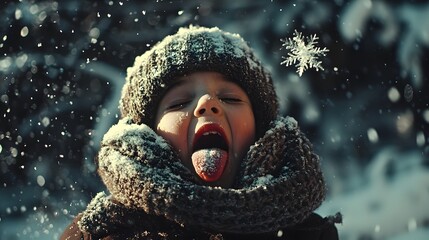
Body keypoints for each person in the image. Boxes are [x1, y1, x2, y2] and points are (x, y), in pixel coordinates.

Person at [61, 25, 340, 240]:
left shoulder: (310, 233)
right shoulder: (103, 232)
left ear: (260, 129)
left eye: (230, 98)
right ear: (147, 134)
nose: (208, 104)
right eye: (180, 102)